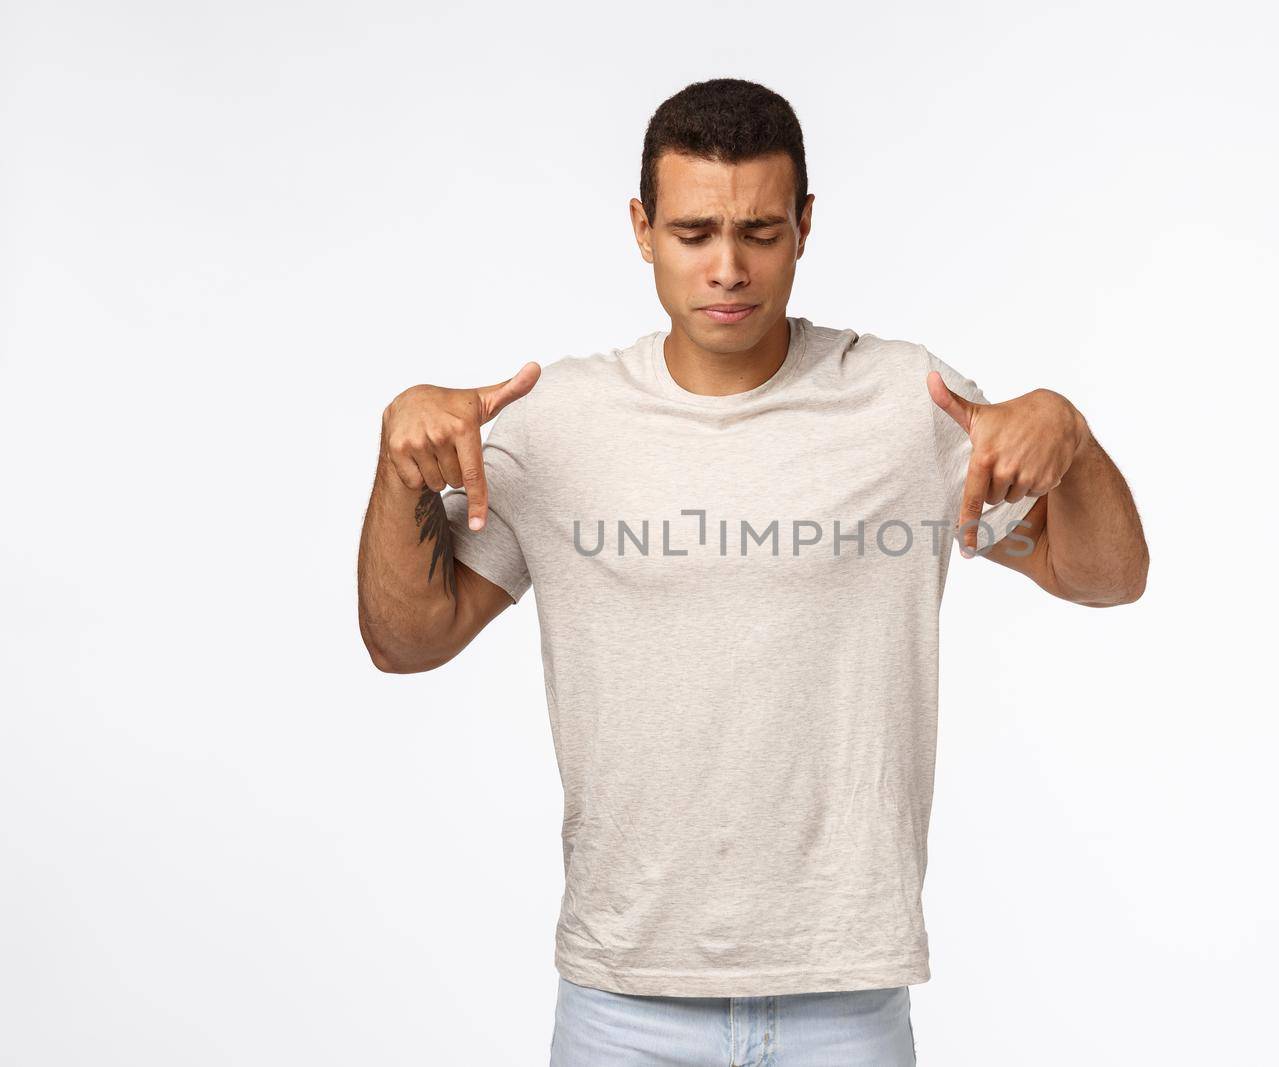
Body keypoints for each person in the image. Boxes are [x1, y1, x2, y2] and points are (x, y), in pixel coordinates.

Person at [356, 77, 1148, 1066]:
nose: (726, 267)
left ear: (805, 226)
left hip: (843, 1000)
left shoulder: (911, 406)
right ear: (641, 230)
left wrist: (1069, 436)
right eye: (693, 233)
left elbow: (1107, 575)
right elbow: (406, 639)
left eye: (759, 231)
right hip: (622, 999)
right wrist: (397, 469)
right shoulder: (560, 422)